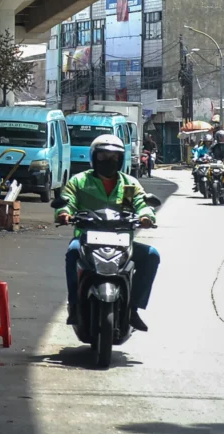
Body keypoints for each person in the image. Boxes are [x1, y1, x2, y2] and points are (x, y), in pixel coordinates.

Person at [57, 133, 159, 332]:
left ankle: (134, 307)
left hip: (122, 242)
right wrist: (64, 213)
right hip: (86, 240)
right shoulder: (79, 181)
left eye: (114, 157)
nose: (108, 161)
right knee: (72, 252)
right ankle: (75, 306)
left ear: (121, 160)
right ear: (94, 157)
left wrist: (147, 216)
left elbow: (141, 203)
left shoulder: (129, 185)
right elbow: (66, 200)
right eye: (103, 156)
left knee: (152, 255)